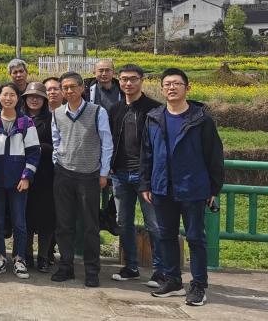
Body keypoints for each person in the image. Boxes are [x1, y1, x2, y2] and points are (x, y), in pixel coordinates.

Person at [142, 68, 224, 307]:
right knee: (166, 235)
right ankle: (173, 281)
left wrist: (213, 189)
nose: (172, 87)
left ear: (187, 88)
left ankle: (198, 286)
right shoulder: (154, 117)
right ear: (161, 89)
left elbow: (214, 155)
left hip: (193, 187)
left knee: (195, 238)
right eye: (167, 84)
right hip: (162, 187)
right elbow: (146, 153)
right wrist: (146, 183)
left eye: (177, 83)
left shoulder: (201, 120)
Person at [50, 71, 113, 288]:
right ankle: (66, 266)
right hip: (64, 173)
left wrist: (103, 172)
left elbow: (106, 143)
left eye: (72, 87)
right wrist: (58, 160)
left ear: (81, 88)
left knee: (90, 226)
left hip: (89, 175)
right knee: (64, 224)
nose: (69, 91)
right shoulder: (57, 113)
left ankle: (92, 271)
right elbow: (56, 140)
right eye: (65, 88)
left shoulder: (97, 112)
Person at [109, 65, 164, 287]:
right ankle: (131, 267)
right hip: (120, 174)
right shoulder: (115, 109)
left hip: (146, 177)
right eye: (124, 79)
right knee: (123, 222)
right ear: (119, 81)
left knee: (155, 224)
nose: (128, 83)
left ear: (142, 80)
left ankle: (160, 271)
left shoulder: (155, 109)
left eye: (133, 79)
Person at [0, 84, 40, 279]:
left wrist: (26, 177)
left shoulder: (26, 122)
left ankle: (19, 259)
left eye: (12, 95)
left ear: (18, 98)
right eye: (5, 94)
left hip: (18, 181)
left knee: (19, 223)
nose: (8, 98)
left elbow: (34, 152)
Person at [22, 82, 57, 273]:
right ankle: (26, 255)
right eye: (30, 96)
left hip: (46, 175)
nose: (34, 100)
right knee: (25, 217)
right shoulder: (19, 118)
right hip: (23, 175)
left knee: (46, 219)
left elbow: (58, 146)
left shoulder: (53, 119)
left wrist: (36, 147)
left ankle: (43, 256)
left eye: (38, 97)